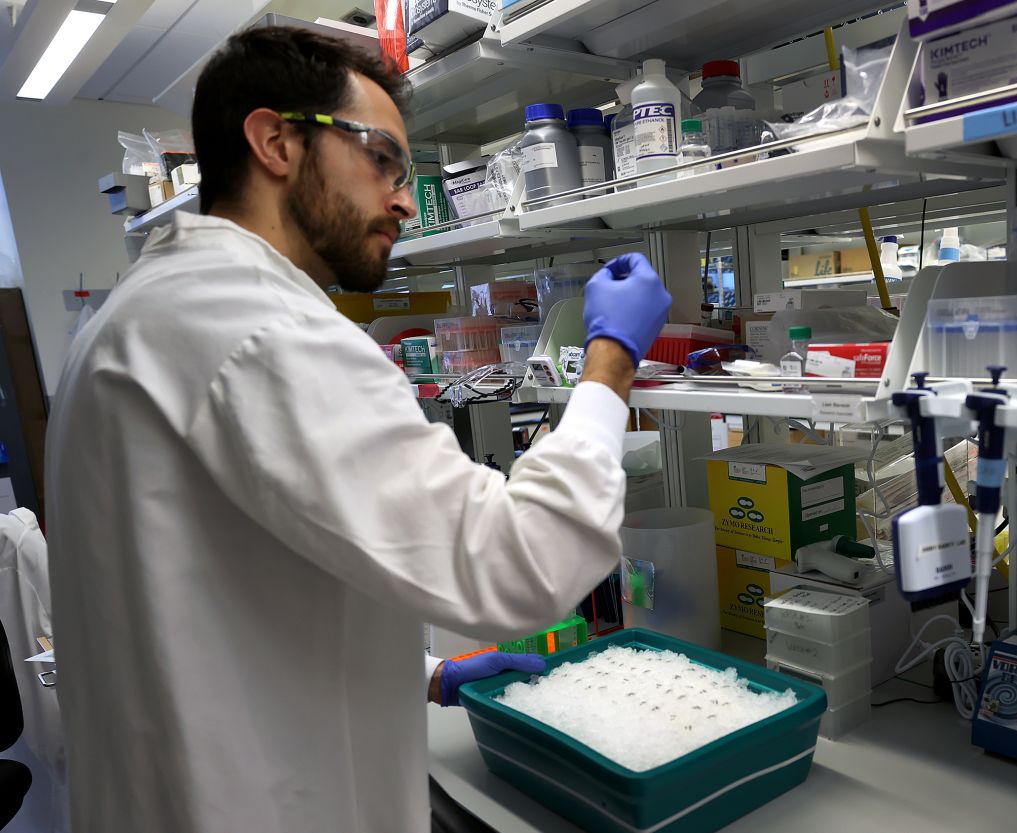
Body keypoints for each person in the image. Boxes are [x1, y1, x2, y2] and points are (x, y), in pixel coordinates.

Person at [44, 26, 671, 833]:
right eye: (382, 158)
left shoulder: (140, 312)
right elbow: (521, 560)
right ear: (275, 142)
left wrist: (431, 674)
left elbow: (219, 590)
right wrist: (610, 364)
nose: (404, 198)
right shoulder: (259, 327)